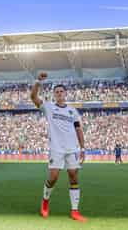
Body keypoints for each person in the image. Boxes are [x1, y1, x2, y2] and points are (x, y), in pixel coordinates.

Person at [30, 72, 87, 222]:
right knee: (53, 177)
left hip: (73, 149)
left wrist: (82, 148)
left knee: (74, 176)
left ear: (65, 94)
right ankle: (45, 201)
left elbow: (78, 129)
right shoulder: (48, 107)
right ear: (54, 95)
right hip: (56, 148)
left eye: (62, 91)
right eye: (57, 92)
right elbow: (33, 98)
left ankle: (75, 211)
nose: (59, 93)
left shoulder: (72, 111)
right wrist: (38, 82)